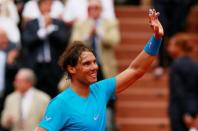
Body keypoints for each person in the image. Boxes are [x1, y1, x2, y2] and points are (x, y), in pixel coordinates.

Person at [35, 8, 164, 131]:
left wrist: (156, 38)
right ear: (72, 69)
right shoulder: (60, 103)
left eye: (95, 62)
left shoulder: (101, 90)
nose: (94, 67)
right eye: (87, 64)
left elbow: (136, 70)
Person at [22, 0, 69, 98]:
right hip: (36, 66)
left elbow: (63, 40)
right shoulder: (31, 24)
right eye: (45, 4)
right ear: (39, 6)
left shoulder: (58, 23)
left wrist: (50, 29)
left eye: (50, 4)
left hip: (54, 66)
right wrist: (43, 31)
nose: (48, 6)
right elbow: (27, 41)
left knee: (55, 94)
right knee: (36, 95)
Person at [167, 33, 198, 131]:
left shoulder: (176, 66)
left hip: (179, 111)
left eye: (171, 45)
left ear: (179, 47)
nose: (168, 48)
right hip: (193, 109)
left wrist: (185, 112)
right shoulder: (195, 65)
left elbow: (178, 92)